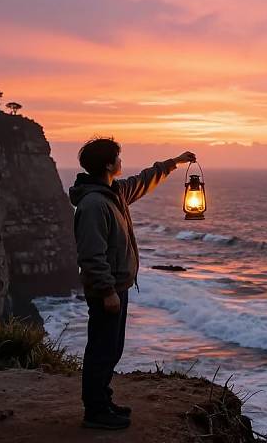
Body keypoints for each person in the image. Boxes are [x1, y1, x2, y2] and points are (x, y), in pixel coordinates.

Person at [69, 137, 195, 430]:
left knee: (112, 348)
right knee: (102, 348)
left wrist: (174, 163)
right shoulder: (94, 204)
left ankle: (103, 400)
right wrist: (107, 291)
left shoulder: (113, 193)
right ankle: (96, 411)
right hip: (107, 290)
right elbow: (91, 254)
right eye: (118, 157)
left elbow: (143, 180)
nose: (122, 161)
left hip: (116, 287)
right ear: (109, 164)